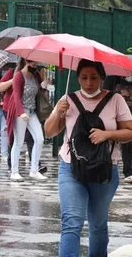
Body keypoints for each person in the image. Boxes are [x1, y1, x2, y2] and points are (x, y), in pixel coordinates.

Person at [45, 59, 132, 257]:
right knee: (71, 223)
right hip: (71, 169)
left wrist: (107, 134)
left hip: (104, 170)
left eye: (93, 78)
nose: (88, 83)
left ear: (102, 77)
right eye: (83, 78)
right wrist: (58, 112)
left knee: (98, 224)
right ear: (77, 78)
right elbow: (50, 131)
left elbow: (129, 131)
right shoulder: (68, 100)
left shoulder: (115, 100)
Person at [7, 58, 47, 181]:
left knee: (39, 139)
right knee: (18, 142)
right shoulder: (19, 76)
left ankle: (34, 170)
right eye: (32, 63)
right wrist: (21, 113)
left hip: (32, 111)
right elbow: (17, 96)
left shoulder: (36, 75)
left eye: (36, 63)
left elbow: (41, 91)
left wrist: (44, 85)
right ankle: (14, 171)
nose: (35, 65)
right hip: (21, 111)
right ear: (26, 62)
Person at [102, 74, 132, 183]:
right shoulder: (113, 78)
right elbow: (105, 94)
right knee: (126, 144)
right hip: (118, 115)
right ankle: (128, 171)